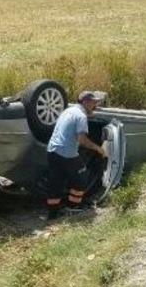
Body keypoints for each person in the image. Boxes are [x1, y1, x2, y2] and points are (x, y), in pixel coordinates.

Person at [45, 91, 108, 220]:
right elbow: (82, 140)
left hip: (52, 150)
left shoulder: (68, 111)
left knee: (56, 182)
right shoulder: (81, 116)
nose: (95, 105)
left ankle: (52, 214)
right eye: (93, 102)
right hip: (66, 153)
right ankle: (72, 208)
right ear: (85, 102)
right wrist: (99, 149)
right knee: (81, 178)